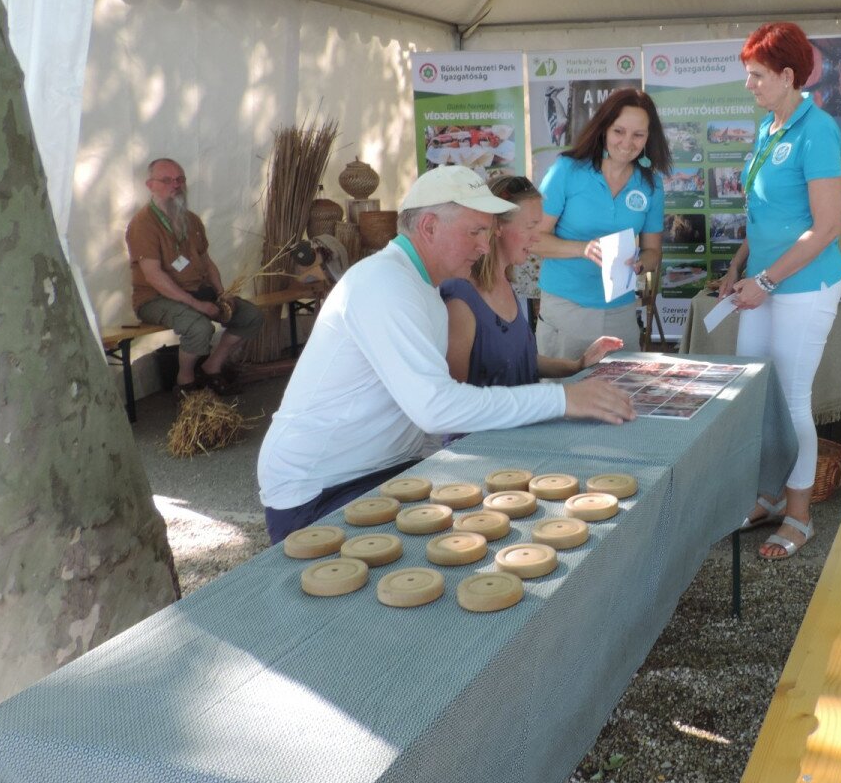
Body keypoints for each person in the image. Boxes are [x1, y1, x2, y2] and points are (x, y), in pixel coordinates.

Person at [256, 166, 636, 543]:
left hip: (385, 470)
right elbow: (436, 408)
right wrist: (561, 398)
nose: (484, 246)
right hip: (320, 489)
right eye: (474, 232)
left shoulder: (423, 287)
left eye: (487, 232)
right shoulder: (384, 282)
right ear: (429, 227)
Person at [721, 21, 841, 560]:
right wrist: (737, 267)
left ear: (788, 76)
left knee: (792, 398)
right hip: (763, 281)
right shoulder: (767, 127)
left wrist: (767, 280)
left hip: (804, 284)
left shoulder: (817, 129)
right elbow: (765, 215)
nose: (748, 84)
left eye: (757, 75)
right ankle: (769, 495)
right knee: (755, 395)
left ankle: (799, 515)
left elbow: (827, 227)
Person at [442, 174, 622, 388]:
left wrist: (579, 364)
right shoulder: (460, 298)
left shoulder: (504, 282)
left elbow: (522, 360)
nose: (537, 237)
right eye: (530, 226)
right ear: (497, 225)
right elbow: (456, 396)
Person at [534, 88, 671, 359]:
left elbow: (653, 252)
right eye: (619, 131)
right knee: (565, 385)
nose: (627, 142)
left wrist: (640, 264)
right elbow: (534, 239)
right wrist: (583, 248)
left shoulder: (651, 184)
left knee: (621, 384)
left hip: (621, 311)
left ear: (649, 137)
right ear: (604, 129)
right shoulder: (567, 170)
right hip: (566, 308)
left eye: (638, 135)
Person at [125, 158, 263, 397]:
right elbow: (154, 276)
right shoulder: (143, 224)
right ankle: (185, 382)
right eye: (167, 180)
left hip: (197, 291)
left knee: (250, 316)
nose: (176, 185)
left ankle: (211, 368)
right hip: (156, 298)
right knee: (199, 328)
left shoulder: (191, 220)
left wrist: (222, 293)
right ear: (150, 185)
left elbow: (207, 262)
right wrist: (197, 304)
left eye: (180, 179)